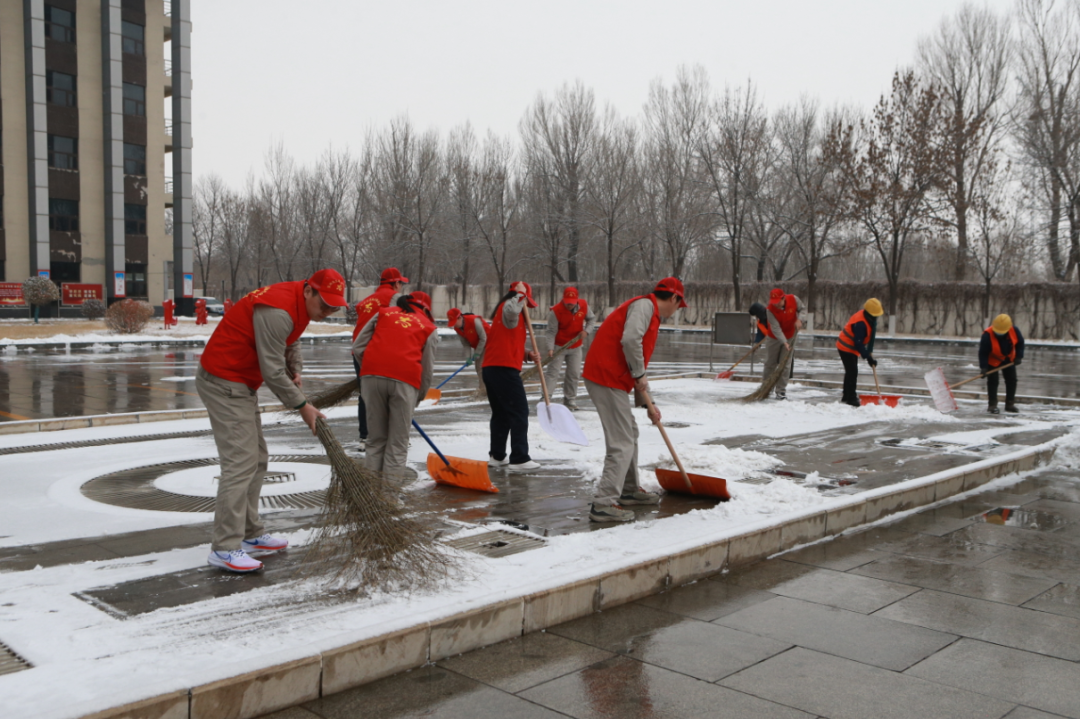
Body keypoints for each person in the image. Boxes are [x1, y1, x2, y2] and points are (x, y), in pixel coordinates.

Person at [197, 269, 347, 573]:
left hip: (240, 382)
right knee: (240, 462)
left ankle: (250, 533)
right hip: (224, 380)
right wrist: (303, 406)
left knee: (258, 459)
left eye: (334, 307)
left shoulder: (299, 305)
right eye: (325, 305)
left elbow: (290, 340)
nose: (328, 312)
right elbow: (271, 370)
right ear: (309, 291)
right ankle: (225, 548)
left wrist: (297, 368)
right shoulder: (279, 309)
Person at [582, 277, 687, 522]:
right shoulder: (645, 307)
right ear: (673, 297)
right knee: (622, 441)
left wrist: (646, 402)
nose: (676, 311)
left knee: (630, 432)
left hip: (614, 378)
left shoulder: (649, 312)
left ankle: (628, 491)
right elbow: (630, 341)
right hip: (605, 376)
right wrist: (639, 376)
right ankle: (603, 503)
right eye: (679, 305)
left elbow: (635, 364)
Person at [353, 292, 438, 477]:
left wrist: (370, 370)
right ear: (425, 309)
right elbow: (427, 370)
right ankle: (389, 499)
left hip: (371, 378)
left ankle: (370, 496)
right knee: (397, 445)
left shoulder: (383, 313)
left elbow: (358, 347)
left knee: (375, 440)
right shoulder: (429, 327)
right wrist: (418, 396)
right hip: (405, 382)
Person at [482, 281, 542, 473]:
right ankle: (519, 458)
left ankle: (497, 456)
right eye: (525, 302)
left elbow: (504, 341)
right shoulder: (509, 310)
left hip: (492, 368)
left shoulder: (502, 313)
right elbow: (511, 310)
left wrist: (526, 355)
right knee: (519, 412)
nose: (527, 306)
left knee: (501, 414)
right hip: (503, 369)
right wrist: (520, 294)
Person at [351, 268, 408, 452]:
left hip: (359, 351)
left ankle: (365, 436)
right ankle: (392, 437)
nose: (401, 288)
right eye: (401, 284)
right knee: (391, 393)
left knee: (366, 395)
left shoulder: (366, 301)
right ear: (396, 283)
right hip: (381, 352)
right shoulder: (396, 299)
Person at [544, 286, 596, 411]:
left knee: (574, 373)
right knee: (552, 373)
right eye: (567, 303)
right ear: (563, 299)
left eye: (572, 303)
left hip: (576, 346)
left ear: (577, 300)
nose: (569, 305)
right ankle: (546, 398)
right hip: (559, 346)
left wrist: (586, 331)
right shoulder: (555, 311)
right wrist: (550, 348)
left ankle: (570, 400)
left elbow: (592, 319)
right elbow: (551, 332)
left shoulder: (583, 305)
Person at [836, 298, 883, 407]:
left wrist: (868, 355)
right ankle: (851, 398)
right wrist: (868, 357)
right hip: (845, 346)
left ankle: (846, 396)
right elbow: (858, 343)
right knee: (852, 372)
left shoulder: (868, 319)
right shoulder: (861, 323)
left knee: (851, 372)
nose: (876, 317)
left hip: (851, 347)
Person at [760, 288, 804, 400]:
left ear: (783, 298)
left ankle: (781, 391)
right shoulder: (769, 310)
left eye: (778, 302)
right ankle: (766, 388)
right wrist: (784, 342)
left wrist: (800, 319)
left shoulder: (794, 299)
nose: (776, 305)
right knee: (770, 363)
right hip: (774, 337)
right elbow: (776, 328)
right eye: (773, 302)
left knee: (785, 365)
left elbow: (803, 309)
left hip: (790, 335)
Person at [980, 313, 1024, 414]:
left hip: (1008, 359)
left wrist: (1019, 356)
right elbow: (983, 353)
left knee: (1012, 380)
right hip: (993, 359)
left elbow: (1020, 343)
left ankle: (1010, 404)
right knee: (993, 381)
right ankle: (992, 405)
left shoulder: (1014, 330)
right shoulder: (987, 335)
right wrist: (984, 368)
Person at [448, 307, 490, 396]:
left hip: (490, 342)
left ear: (459, 318)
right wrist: (468, 357)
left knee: (481, 367)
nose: (454, 325)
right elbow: (466, 344)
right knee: (478, 368)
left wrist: (477, 353)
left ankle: (484, 390)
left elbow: (483, 338)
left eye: (454, 322)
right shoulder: (457, 328)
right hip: (479, 345)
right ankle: (484, 388)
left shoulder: (474, 321)